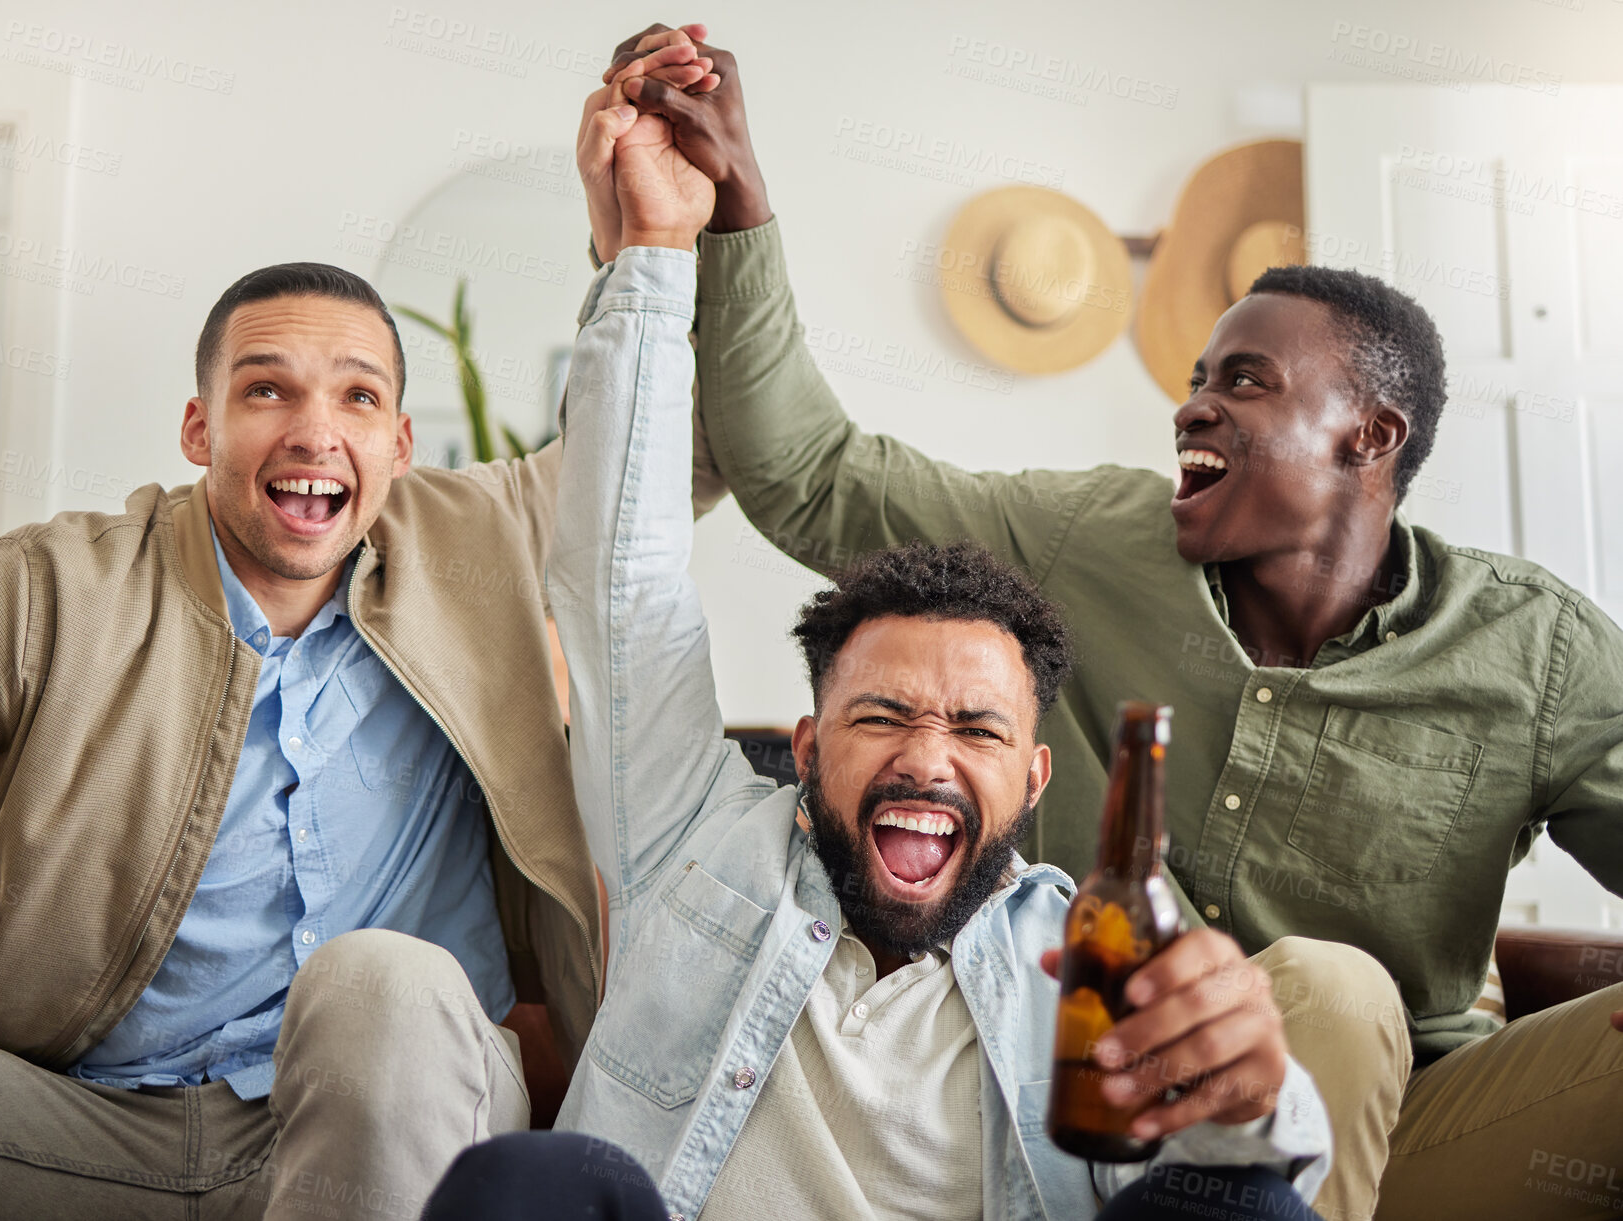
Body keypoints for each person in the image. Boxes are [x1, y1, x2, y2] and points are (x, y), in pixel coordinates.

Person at [599, 24, 1623, 1221]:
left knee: (1341, 997)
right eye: (1195, 375)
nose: (1190, 403)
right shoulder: (1087, 538)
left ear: (1370, 437)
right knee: (1328, 989)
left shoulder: (1534, 650)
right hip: (1131, 1133)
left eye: (1243, 381)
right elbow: (813, 477)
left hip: (1424, 1131)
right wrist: (734, 201)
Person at [423, 71, 1333, 1221]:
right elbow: (623, 581)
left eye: (974, 727)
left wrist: (1254, 1101)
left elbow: (1221, 1154)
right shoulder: (695, 843)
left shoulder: (1088, 955)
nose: (924, 756)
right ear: (806, 748)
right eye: (881, 716)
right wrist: (651, 255)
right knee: (532, 1179)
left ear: (1032, 774)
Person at [0, 41, 705, 1217]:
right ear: (198, 427)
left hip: (398, 1117)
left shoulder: (480, 531)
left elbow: (684, 452)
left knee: (374, 981)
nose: (316, 430)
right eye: (266, 389)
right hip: (94, 1128)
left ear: (402, 444)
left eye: (359, 396)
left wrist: (645, 241)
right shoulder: (52, 585)